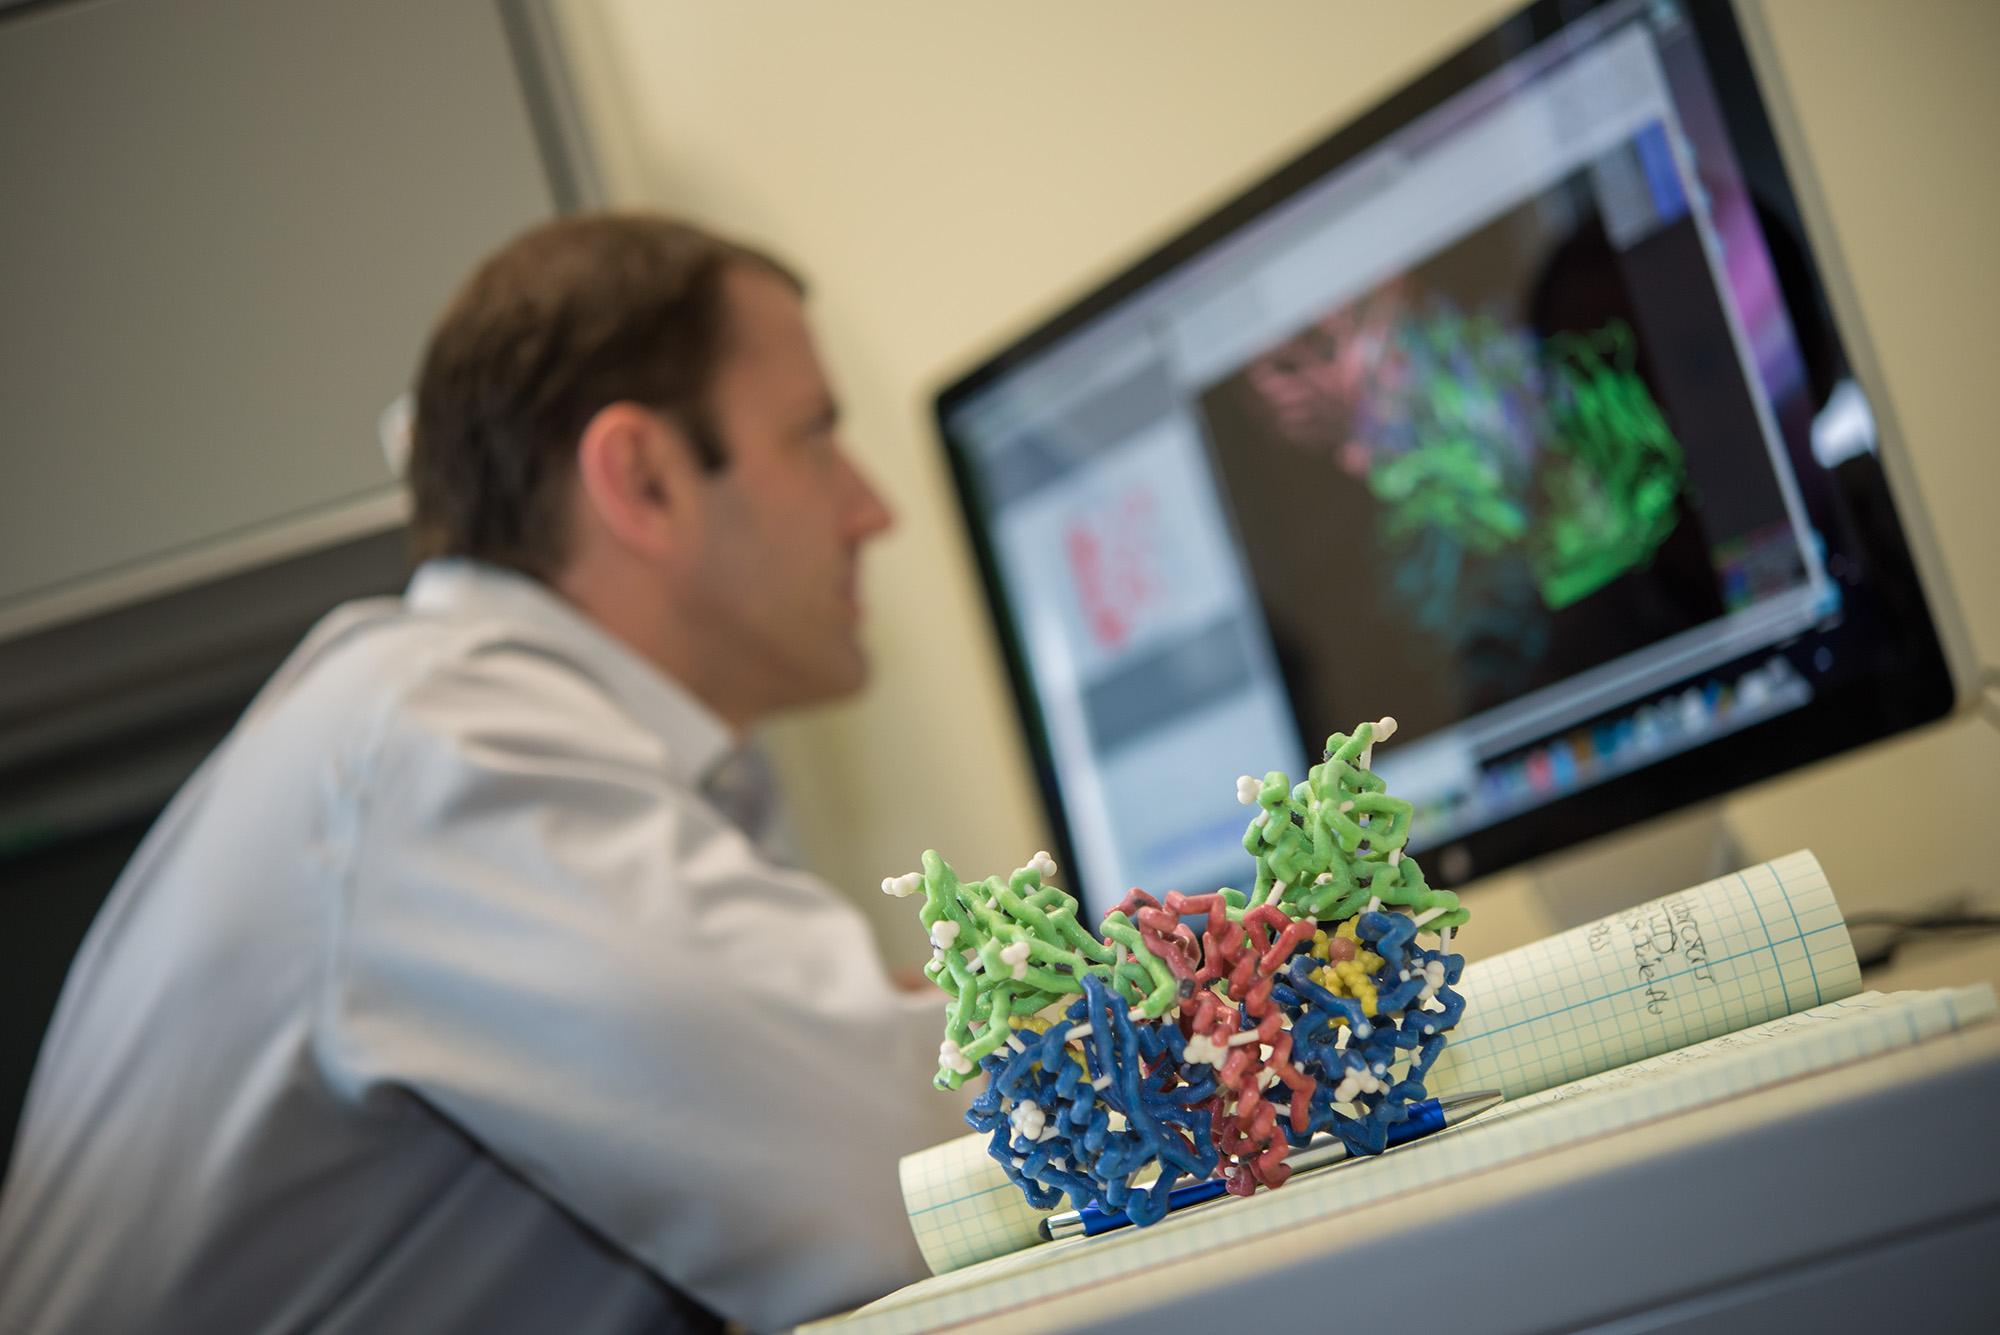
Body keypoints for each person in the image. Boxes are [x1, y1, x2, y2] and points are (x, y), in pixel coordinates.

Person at [0, 216, 968, 1335]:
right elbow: (910, 1170)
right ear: (642, 480)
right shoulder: (444, 753)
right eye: (814, 436)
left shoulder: (502, 743)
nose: (872, 508)